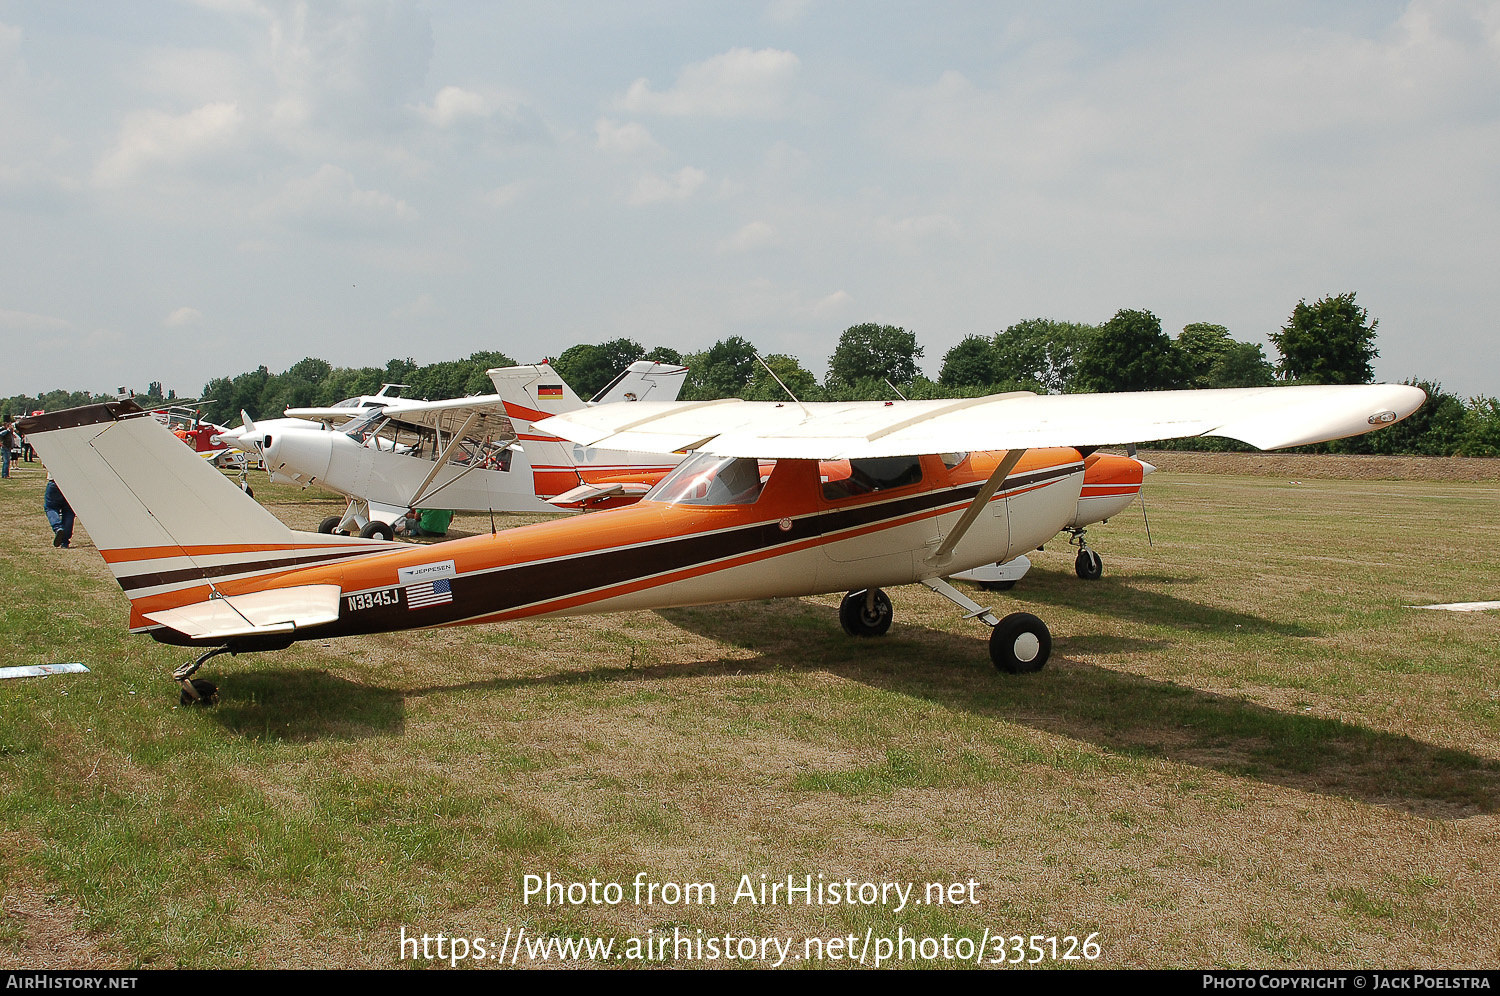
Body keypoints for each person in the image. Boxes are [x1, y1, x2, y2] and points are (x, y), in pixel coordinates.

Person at [45, 473, 75, 548]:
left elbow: (44, 465)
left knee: (50, 508)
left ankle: (57, 527)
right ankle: (65, 541)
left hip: (54, 482)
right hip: (70, 483)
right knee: (69, 511)